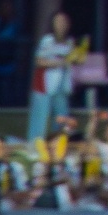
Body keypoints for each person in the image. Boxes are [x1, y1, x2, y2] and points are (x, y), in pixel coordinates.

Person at [28, 9, 75, 145]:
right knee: (40, 117)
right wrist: (58, 63)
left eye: (64, 21)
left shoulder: (70, 42)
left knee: (62, 118)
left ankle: (59, 146)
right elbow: (39, 61)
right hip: (45, 84)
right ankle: (35, 145)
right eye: (58, 21)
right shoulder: (47, 41)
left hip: (62, 85)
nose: (61, 24)